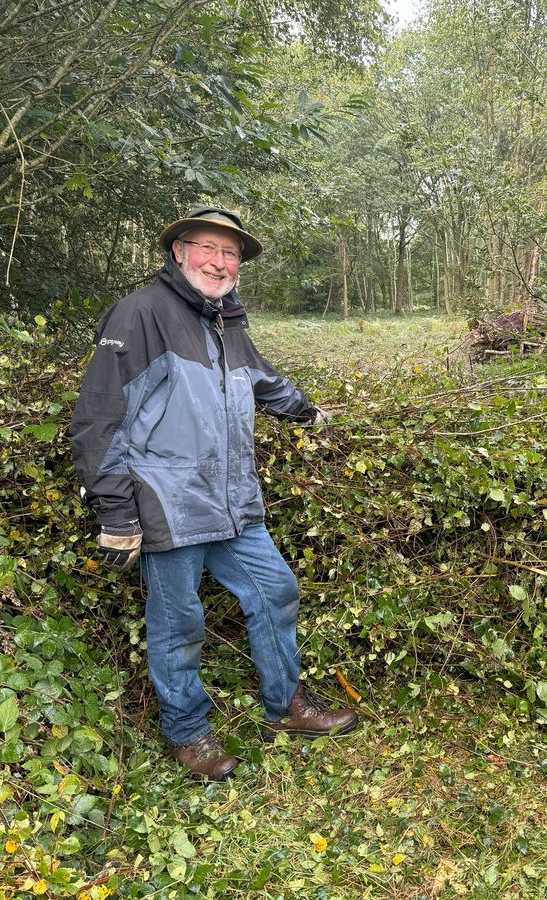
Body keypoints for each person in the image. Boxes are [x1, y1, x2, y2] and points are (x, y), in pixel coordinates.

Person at [69, 206, 358, 781]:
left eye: (230, 254)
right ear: (179, 251)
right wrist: (116, 512)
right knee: (178, 624)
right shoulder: (142, 314)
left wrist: (311, 414)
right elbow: (99, 418)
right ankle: (188, 735)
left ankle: (286, 707)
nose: (220, 262)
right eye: (208, 248)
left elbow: (262, 380)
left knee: (275, 590)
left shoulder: (226, 321)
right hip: (169, 504)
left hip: (231, 501)